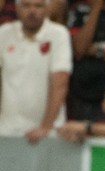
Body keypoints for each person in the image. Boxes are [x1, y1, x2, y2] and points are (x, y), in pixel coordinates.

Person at [0, 0, 72, 142]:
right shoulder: (3, 33)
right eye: (26, 5)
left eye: (38, 6)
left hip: (49, 131)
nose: (32, 11)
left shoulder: (59, 34)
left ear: (47, 8)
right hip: (6, 128)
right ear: (17, 8)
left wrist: (46, 127)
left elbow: (60, 83)